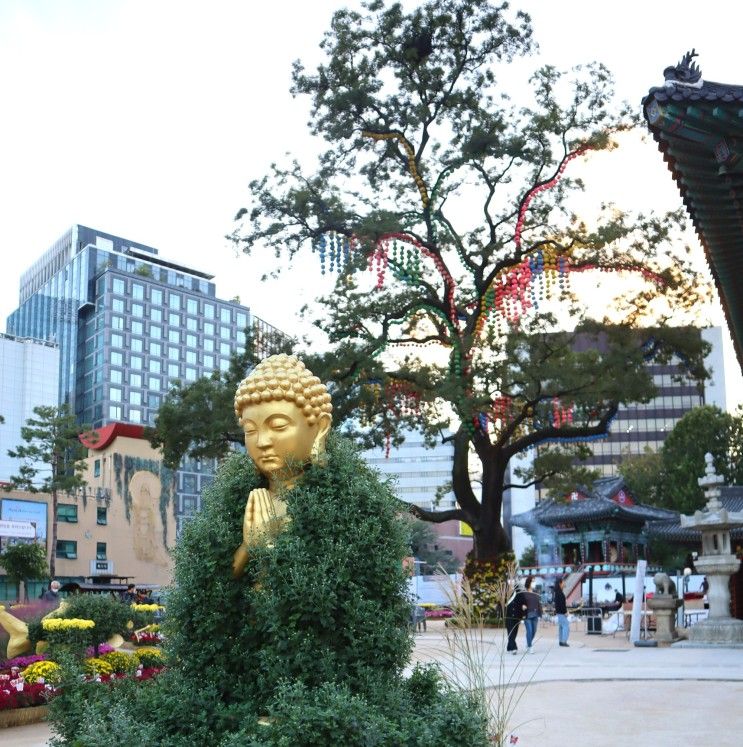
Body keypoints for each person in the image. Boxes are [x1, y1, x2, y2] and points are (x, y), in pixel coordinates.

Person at [232, 354, 332, 578]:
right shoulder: (237, 501)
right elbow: (212, 588)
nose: (262, 442)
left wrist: (268, 546)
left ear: (320, 428)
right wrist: (248, 547)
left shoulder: (336, 501)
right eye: (250, 430)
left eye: (278, 425)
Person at [522, 576, 542, 653]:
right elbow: (521, 603)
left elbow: (538, 604)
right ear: (529, 582)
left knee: (534, 631)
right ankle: (530, 646)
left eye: (534, 581)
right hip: (527, 615)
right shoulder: (524, 593)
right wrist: (522, 606)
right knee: (529, 631)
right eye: (532, 581)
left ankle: (528, 643)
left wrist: (540, 612)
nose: (534, 583)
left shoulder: (536, 593)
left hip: (535, 614)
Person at [505, 581, 525, 655]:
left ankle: (509, 646)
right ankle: (514, 648)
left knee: (515, 632)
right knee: (510, 632)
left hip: (517, 616)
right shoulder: (505, 593)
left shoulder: (519, 593)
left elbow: (524, 602)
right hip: (508, 616)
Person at [554, 576, 569, 647]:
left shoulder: (557, 592)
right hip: (561, 612)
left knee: (561, 627)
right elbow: (561, 604)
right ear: (560, 583)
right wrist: (565, 612)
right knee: (566, 626)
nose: (564, 583)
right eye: (563, 582)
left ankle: (561, 641)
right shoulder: (560, 593)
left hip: (559, 612)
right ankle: (564, 641)